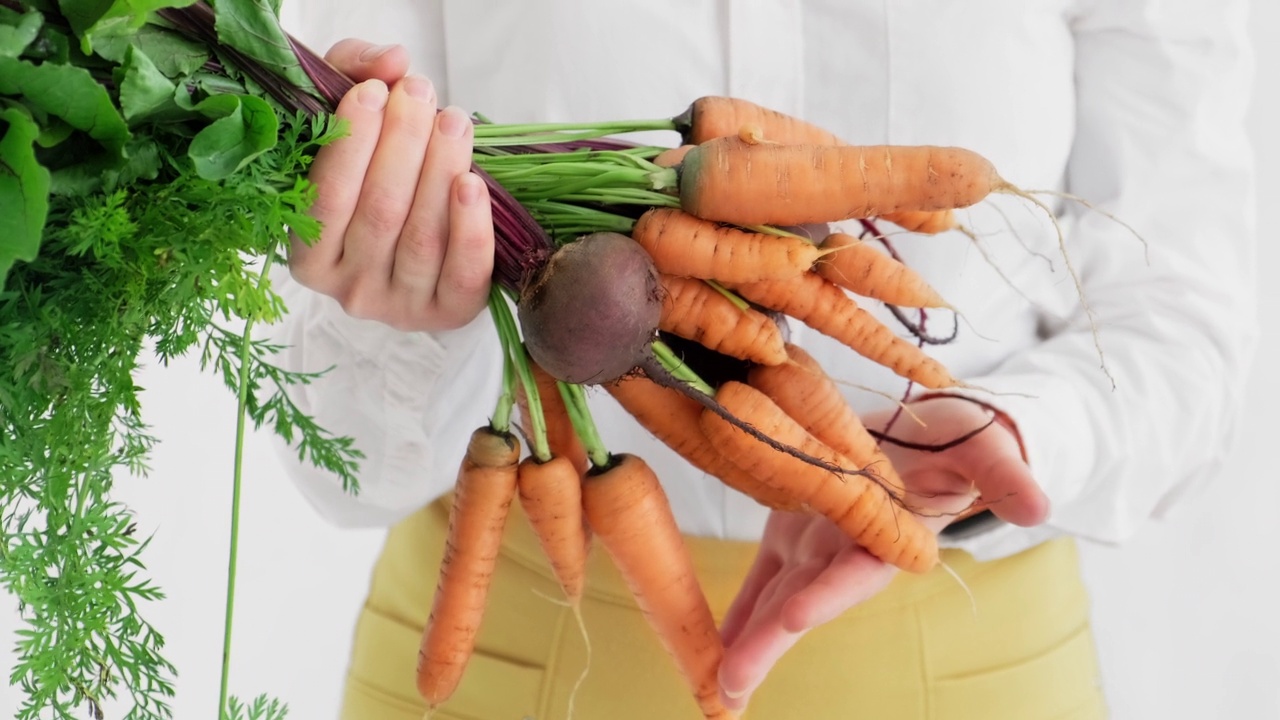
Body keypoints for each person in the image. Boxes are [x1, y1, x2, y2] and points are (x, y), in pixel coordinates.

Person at [266, 2, 1258, 718]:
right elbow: (339, 469)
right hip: (506, 655)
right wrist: (394, 300)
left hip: (962, 673)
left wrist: (1017, 434)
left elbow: (1180, 319)